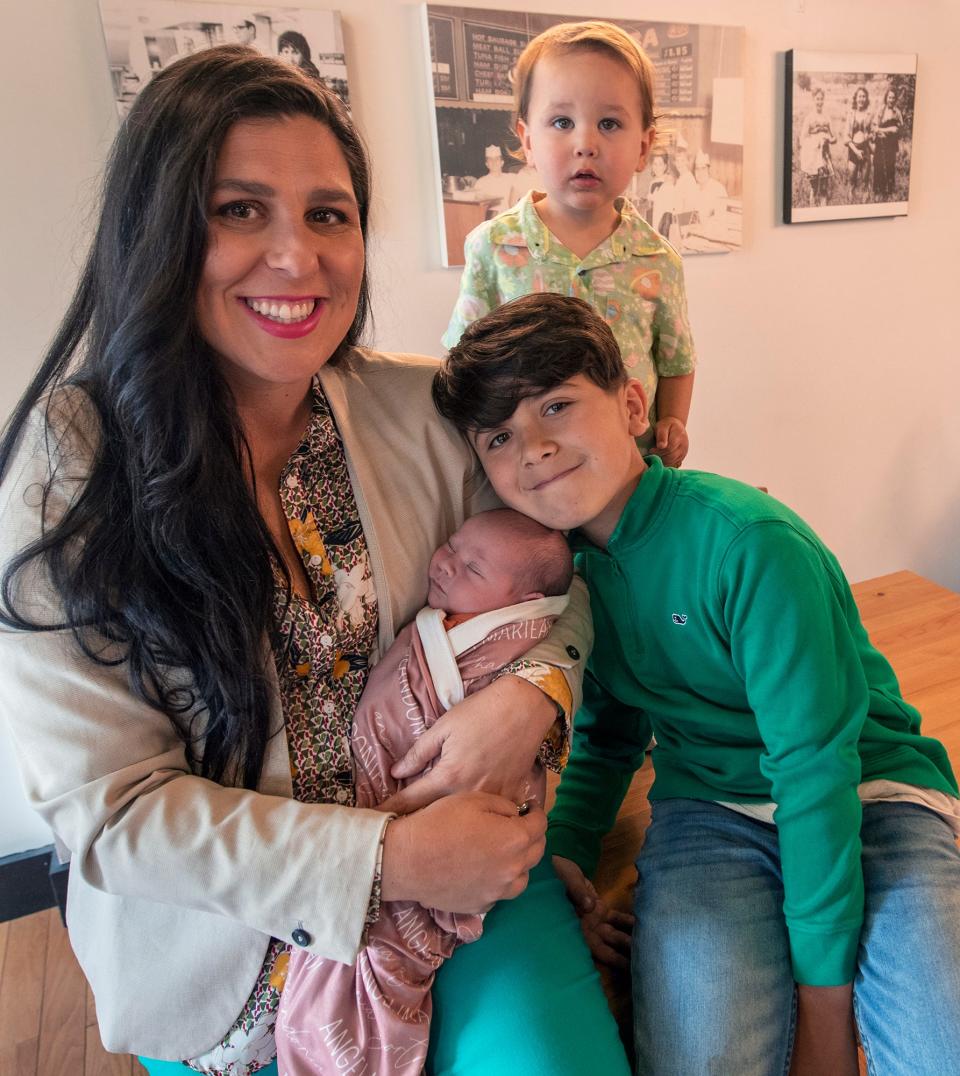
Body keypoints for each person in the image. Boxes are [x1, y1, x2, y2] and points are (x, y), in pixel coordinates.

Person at [0, 48, 631, 1076]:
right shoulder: (68, 469)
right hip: (219, 955)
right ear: (155, 230)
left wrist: (537, 696)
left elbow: (565, 577)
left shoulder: (422, 411)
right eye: (240, 210)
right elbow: (112, 811)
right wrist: (389, 857)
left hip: (456, 887)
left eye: (330, 214)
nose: (298, 258)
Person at [433, 291, 960, 1076]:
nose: (534, 448)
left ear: (635, 404)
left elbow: (817, 772)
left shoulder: (750, 544)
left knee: (938, 1045)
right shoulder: (562, 579)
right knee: (702, 1057)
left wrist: (825, 1018)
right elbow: (613, 729)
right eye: (501, 435)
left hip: (869, 793)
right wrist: (571, 854)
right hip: (709, 813)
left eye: (557, 406)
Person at [277, 509, 573, 1074]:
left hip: (435, 821)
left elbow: (570, 601)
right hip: (335, 833)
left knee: (383, 957)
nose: (444, 560)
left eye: (472, 567)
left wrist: (533, 693)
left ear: (520, 602)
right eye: (452, 546)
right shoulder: (448, 622)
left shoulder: (498, 643)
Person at [443, 20, 696, 469]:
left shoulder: (658, 259)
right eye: (562, 121)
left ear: (643, 146)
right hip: (529, 476)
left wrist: (673, 420)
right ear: (527, 141)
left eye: (610, 123)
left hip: (629, 478)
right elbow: (462, 365)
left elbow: (676, 359)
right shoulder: (493, 246)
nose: (586, 143)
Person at [797, 87, 837, 207]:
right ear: (813, 100)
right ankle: (812, 212)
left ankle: (823, 211)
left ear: (824, 100)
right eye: (817, 99)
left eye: (821, 99)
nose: (819, 102)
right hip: (813, 158)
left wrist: (828, 140)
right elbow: (802, 139)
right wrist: (814, 142)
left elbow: (835, 137)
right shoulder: (809, 118)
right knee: (814, 188)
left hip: (824, 157)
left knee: (824, 187)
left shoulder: (827, 117)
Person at [873, 86, 904, 200]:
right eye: (889, 97)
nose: (891, 100)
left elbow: (899, 130)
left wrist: (894, 130)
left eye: (893, 98)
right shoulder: (880, 111)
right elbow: (875, 128)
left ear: (895, 100)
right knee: (878, 166)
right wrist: (888, 129)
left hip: (891, 145)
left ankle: (888, 193)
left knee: (890, 167)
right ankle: (878, 192)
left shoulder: (897, 112)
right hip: (880, 143)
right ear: (886, 98)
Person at [471, 144, 519, 215]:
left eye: (497, 159)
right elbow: (477, 205)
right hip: (491, 219)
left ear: (502, 162)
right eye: (490, 160)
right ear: (487, 164)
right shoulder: (481, 182)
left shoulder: (512, 178)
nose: (494, 162)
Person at [845, 85, 874, 199]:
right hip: (853, 149)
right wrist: (856, 151)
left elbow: (873, 132)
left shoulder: (869, 115)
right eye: (859, 96)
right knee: (852, 178)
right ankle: (851, 194)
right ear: (855, 98)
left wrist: (869, 136)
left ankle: (865, 193)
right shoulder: (851, 114)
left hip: (866, 149)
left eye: (863, 96)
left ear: (866, 99)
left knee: (865, 179)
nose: (861, 99)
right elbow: (846, 137)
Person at [691, 151, 728, 225]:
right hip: (694, 230)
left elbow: (721, 218)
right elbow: (690, 216)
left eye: (703, 168)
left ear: (709, 170)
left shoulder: (718, 189)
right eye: (697, 169)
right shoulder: (694, 188)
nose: (700, 172)